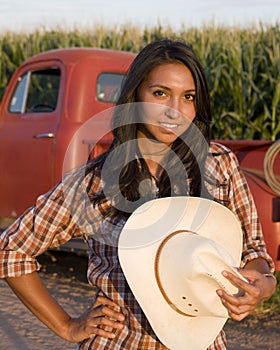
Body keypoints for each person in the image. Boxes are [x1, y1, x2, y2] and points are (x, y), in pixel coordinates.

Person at [0, 38, 277, 350]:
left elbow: (254, 253)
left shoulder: (220, 165)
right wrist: (67, 325)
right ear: (135, 96)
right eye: (160, 93)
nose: (175, 111)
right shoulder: (95, 183)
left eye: (188, 97)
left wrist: (262, 285)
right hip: (120, 343)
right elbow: (11, 251)